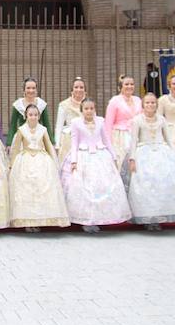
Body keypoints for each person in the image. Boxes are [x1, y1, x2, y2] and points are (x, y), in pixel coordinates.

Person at [63, 98, 131, 233]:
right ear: (82, 110)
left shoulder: (100, 121)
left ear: (95, 109)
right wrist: (74, 161)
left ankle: (102, 217)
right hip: (83, 155)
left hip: (100, 155)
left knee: (103, 185)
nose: (89, 111)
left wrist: (113, 155)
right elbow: (74, 142)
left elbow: (106, 138)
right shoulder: (76, 122)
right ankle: (86, 219)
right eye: (86, 109)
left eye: (91, 108)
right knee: (85, 187)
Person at [126, 93, 175, 230]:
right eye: (147, 103)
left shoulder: (161, 120)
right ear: (143, 105)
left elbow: (168, 139)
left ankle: (160, 215)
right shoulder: (137, 120)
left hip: (161, 152)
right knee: (147, 185)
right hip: (144, 152)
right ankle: (148, 218)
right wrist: (132, 158)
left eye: (153, 103)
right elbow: (133, 141)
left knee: (162, 183)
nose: (150, 105)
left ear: (157, 105)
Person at [8, 103, 69, 231]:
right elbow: (15, 148)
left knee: (42, 188)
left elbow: (48, 146)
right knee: (27, 190)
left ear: (39, 116)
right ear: (26, 116)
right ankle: (27, 221)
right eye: (30, 115)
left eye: (35, 115)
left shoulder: (43, 130)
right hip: (25, 160)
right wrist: (11, 165)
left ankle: (41, 219)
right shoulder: (21, 130)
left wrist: (54, 162)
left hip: (42, 161)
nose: (33, 117)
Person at [103, 75, 142, 172]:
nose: (129, 86)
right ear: (120, 87)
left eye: (132, 84)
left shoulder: (138, 100)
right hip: (120, 136)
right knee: (121, 163)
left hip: (135, 135)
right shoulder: (114, 101)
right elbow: (108, 124)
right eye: (127, 84)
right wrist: (108, 143)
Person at [7, 77, 51, 147]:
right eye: (28, 88)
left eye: (33, 88)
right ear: (24, 90)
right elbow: (13, 125)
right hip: (22, 139)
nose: (31, 90)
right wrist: (9, 143)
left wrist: (51, 142)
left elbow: (47, 124)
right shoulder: (17, 105)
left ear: (36, 90)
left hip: (39, 139)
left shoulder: (42, 104)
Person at [53, 77, 86, 164]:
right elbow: (59, 126)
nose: (79, 89)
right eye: (76, 87)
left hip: (85, 138)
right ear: (72, 90)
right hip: (69, 140)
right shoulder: (64, 105)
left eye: (81, 87)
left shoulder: (88, 104)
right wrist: (57, 144)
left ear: (85, 90)